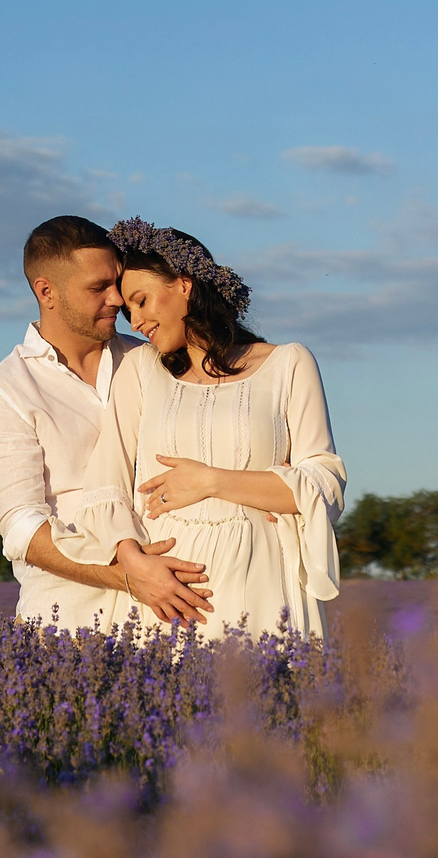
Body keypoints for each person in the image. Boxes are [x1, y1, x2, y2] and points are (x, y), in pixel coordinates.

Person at [57, 218, 345, 640]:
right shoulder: (140, 369)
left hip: (262, 581)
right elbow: (106, 485)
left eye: (141, 300)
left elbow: (324, 485)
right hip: (169, 590)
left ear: (183, 285)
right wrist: (134, 564)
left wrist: (210, 481)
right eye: (127, 310)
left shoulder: (289, 364)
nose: (134, 321)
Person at [0, 215, 215, 630]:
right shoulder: (6, 391)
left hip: (183, 609)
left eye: (117, 283)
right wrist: (126, 577)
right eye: (98, 288)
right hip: (71, 624)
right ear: (47, 292)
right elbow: (23, 530)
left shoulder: (152, 360)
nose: (117, 299)